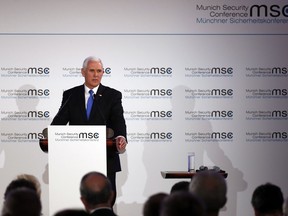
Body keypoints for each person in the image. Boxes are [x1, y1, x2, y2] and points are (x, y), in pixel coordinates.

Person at [51, 56, 127, 206]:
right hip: (77, 158)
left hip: (105, 157)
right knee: (76, 202)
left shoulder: (113, 95)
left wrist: (120, 136)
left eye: (99, 71)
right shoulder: (70, 95)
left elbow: (118, 120)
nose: (96, 74)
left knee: (105, 203)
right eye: (92, 71)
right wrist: (51, 135)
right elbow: (59, 123)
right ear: (83, 72)